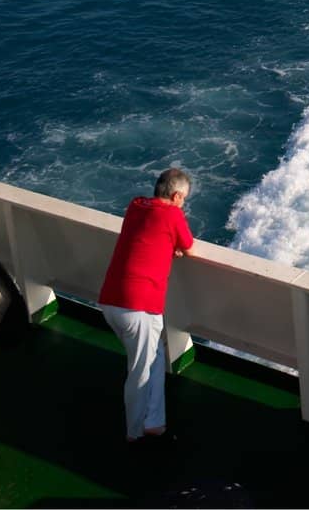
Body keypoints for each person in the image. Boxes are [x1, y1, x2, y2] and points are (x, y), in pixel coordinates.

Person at [98, 167, 194, 441]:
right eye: (184, 199)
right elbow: (188, 246)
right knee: (139, 373)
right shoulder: (172, 214)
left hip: (111, 302)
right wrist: (175, 242)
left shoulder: (136, 206)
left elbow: (151, 236)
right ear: (176, 196)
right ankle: (135, 433)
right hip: (136, 307)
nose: (183, 204)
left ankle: (154, 422)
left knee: (155, 358)